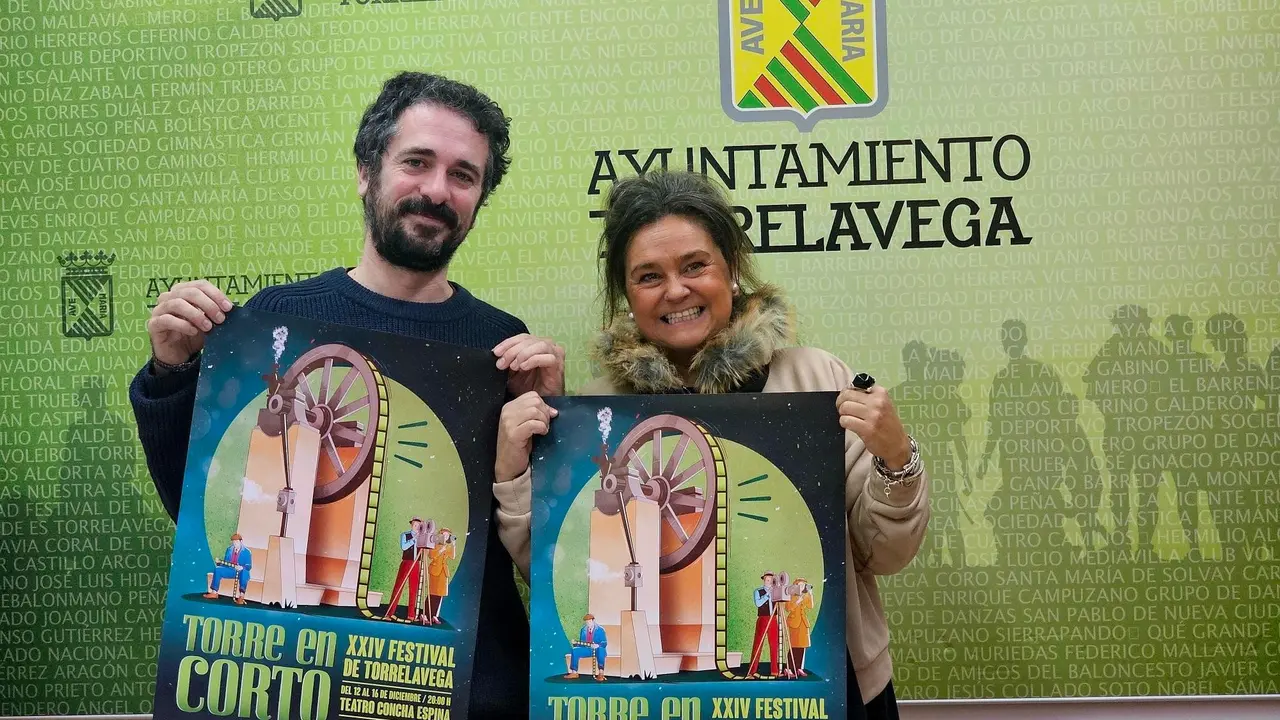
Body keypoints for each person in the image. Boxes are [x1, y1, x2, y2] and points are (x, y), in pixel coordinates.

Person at [129, 71, 563, 719]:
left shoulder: (502, 344)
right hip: (304, 684)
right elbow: (200, 509)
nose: (437, 191)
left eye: (464, 175)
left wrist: (554, 428)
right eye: (416, 162)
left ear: (479, 199)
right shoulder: (276, 319)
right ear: (367, 171)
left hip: (471, 690)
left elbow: (543, 555)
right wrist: (171, 374)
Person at [493, 170, 929, 718]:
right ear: (626, 294)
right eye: (649, 276)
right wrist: (515, 474)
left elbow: (883, 554)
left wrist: (896, 458)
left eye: (695, 265)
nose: (676, 290)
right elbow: (563, 567)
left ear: (733, 269)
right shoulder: (600, 407)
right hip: (660, 700)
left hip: (831, 692)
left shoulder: (818, 380)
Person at [384, 517, 425, 621]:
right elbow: (404, 547)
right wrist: (413, 540)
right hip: (406, 563)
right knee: (398, 586)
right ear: (411, 525)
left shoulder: (421, 537)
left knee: (414, 589)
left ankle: (411, 615)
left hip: (416, 564)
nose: (416, 527)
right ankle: (389, 613)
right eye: (415, 525)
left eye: (418, 525)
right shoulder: (405, 535)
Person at [748, 572, 782, 678]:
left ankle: (775, 671)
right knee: (758, 644)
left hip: (773, 619)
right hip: (763, 619)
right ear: (764, 580)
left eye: (771, 580)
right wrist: (768, 595)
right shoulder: (758, 591)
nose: (769, 582)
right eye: (767, 580)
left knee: (774, 644)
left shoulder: (776, 591)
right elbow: (758, 604)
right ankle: (752, 671)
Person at [205, 533, 251, 604]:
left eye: (236, 542)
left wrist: (242, 567)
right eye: (234, 542)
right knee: (218, 569)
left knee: (245, 572)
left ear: (241, 542)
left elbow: (249, 566)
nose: (235, 544)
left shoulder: (247, 552)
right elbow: (226, 563)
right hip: (231, 570)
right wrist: (219, 562)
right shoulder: (229, 549)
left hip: (241, 572)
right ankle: (214, 593)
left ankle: (241, 596)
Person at [426, 527, 456, 625]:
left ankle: (434, 615)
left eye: (447, 535)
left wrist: (453, 545)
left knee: (439, 594)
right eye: (444, 534)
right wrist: (440, 550)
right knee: (432, 593)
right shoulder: (435, 544)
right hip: (435, 570)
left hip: (443, 572)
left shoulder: (448, 546)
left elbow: (452, 556)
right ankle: (426, 614)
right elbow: (431, 556)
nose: (445, 536)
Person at [786, 579, 815, 678]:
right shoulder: (791, 595)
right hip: (794, 623)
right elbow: (788, 608)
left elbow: (811, 606)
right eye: (800, 585)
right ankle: (789, 668)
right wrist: (797, 601)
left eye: (803, 585)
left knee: (802, 646)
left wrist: (810, 594)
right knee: (793, 646)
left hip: (803, 623)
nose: (802, 587)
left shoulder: (805, 595)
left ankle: (799, 668)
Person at [565, 614, 607, 681]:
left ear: (593, 621)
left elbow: (604, 643)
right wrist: (576, 643)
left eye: (589, 621)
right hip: (588, 650)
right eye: (586, 622)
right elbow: (582, 644)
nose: (588, 623)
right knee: (575, 650)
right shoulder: (583, 630)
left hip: (598, 650)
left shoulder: (600, 629)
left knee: (601, 649)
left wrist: (598, 645)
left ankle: (601, 673)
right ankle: (574, 672)